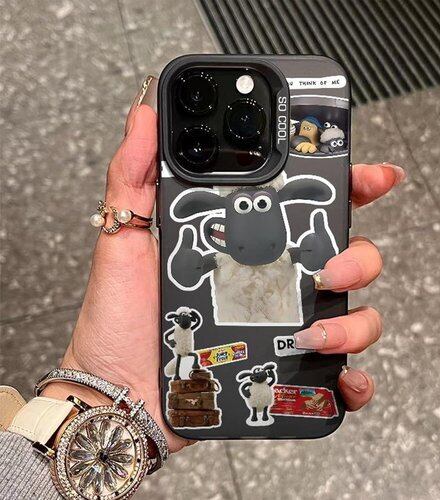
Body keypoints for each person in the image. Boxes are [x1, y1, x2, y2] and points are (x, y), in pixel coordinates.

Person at [0, 76, 405, 498]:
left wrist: (316, 245)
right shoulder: (222, 256)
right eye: (243, 207)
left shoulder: (283, 253)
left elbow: (303, 244)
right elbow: (192, 270)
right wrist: (187, 261)